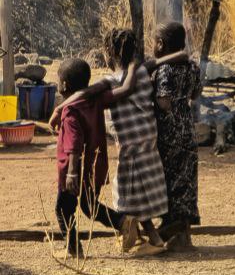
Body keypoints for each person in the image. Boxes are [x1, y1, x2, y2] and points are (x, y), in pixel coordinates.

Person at [52, 29, 187, 256]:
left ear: (109, 54)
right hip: (141, 146)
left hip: (116, 153)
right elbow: (177, 57)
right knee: (94, 205)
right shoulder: (141, 72)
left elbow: (83, 104)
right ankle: (132, 229)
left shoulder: (107, 84)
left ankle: (130, 233)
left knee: (123, 197)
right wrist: (137, 65)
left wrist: (60, 108)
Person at [52, 58, 124, 258]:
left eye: (59, 78)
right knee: (89, 206)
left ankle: (73, 248)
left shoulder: (70, 110)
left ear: (64, 85)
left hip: (74, 171)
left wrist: (72, 173)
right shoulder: (93, 101)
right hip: (94, 166)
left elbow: (74, 142)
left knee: (63, 210)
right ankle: (123, 222)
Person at [151, 22, 202, 250]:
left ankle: (171, 230)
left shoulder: (164, 70)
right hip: (187, 129)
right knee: (186, 182)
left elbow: (163, 101)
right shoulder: (192, 67)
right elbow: (196, 93)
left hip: (169, 132)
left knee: (169, 181)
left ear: (160, 44)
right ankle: (184, 236)